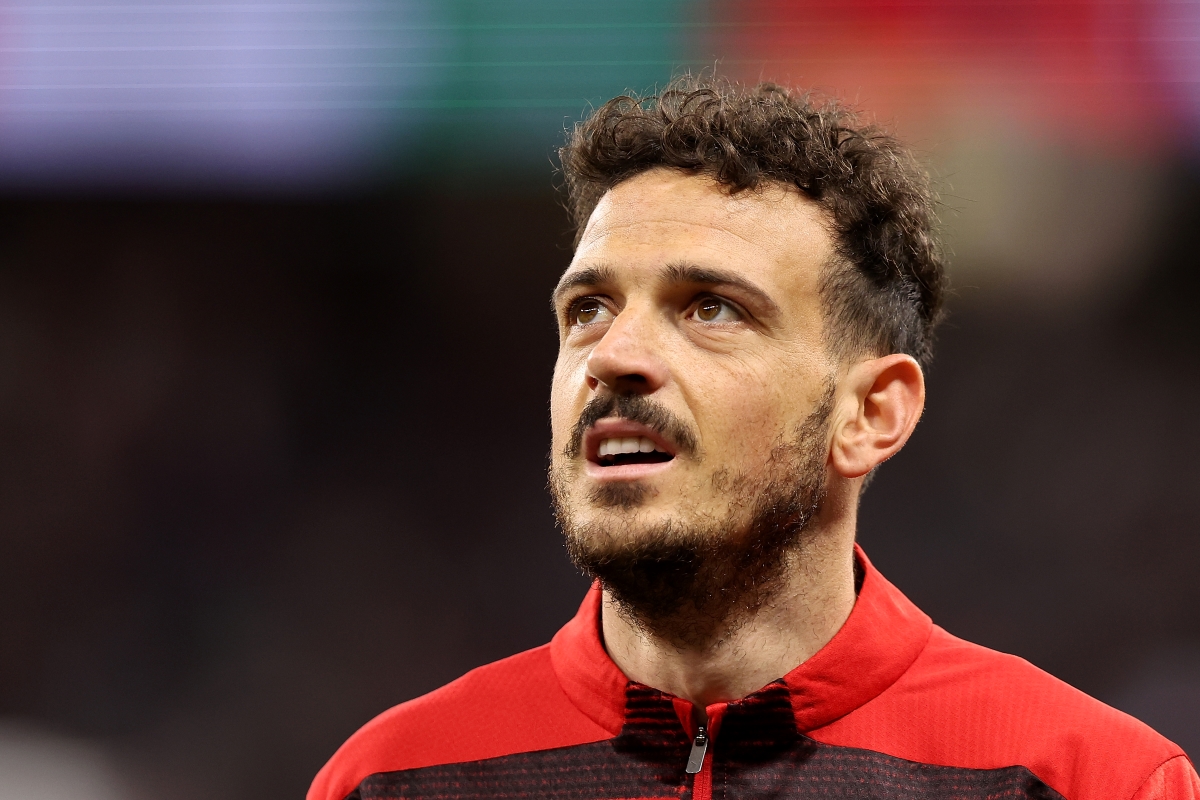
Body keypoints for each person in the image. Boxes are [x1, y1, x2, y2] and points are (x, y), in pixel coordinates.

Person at [308, 76, 1199, 800]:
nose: (614, 356)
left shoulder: (1086, 781)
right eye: (589, 310)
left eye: (710, 309)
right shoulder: (393, 779)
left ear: (871, 414)